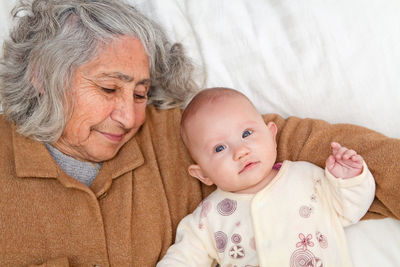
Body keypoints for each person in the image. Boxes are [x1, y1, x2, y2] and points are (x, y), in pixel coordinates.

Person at [0, 0, 398, 266]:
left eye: (140, 93)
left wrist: (350, 172)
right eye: (108, 89)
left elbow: (301, 145)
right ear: (42, 75)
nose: (127, 116)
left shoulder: (184, 135)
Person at [157, 88, 375, 266]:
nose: (240, 151)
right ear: (203, 174)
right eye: (220, 148)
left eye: (246, 134)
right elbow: (183, 258)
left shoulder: (306, 177)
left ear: (272, 135)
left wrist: (349, 179)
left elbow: (351, 208)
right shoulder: (208, 216)